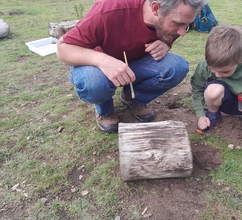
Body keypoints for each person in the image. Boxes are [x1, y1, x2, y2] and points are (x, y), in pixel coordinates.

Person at [56, 0, 207, 133]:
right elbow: (63, 48)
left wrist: (165, 45)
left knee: (177, 67)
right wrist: (104, 61)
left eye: (187, 25)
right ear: (156, 8)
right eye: (178, 23)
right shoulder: (109, 9)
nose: (182, 33)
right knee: (95, 83)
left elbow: (168, 37)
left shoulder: (169, 19)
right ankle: (105, 109)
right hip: (96, 65)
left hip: (133, 63)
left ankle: (132, 97)